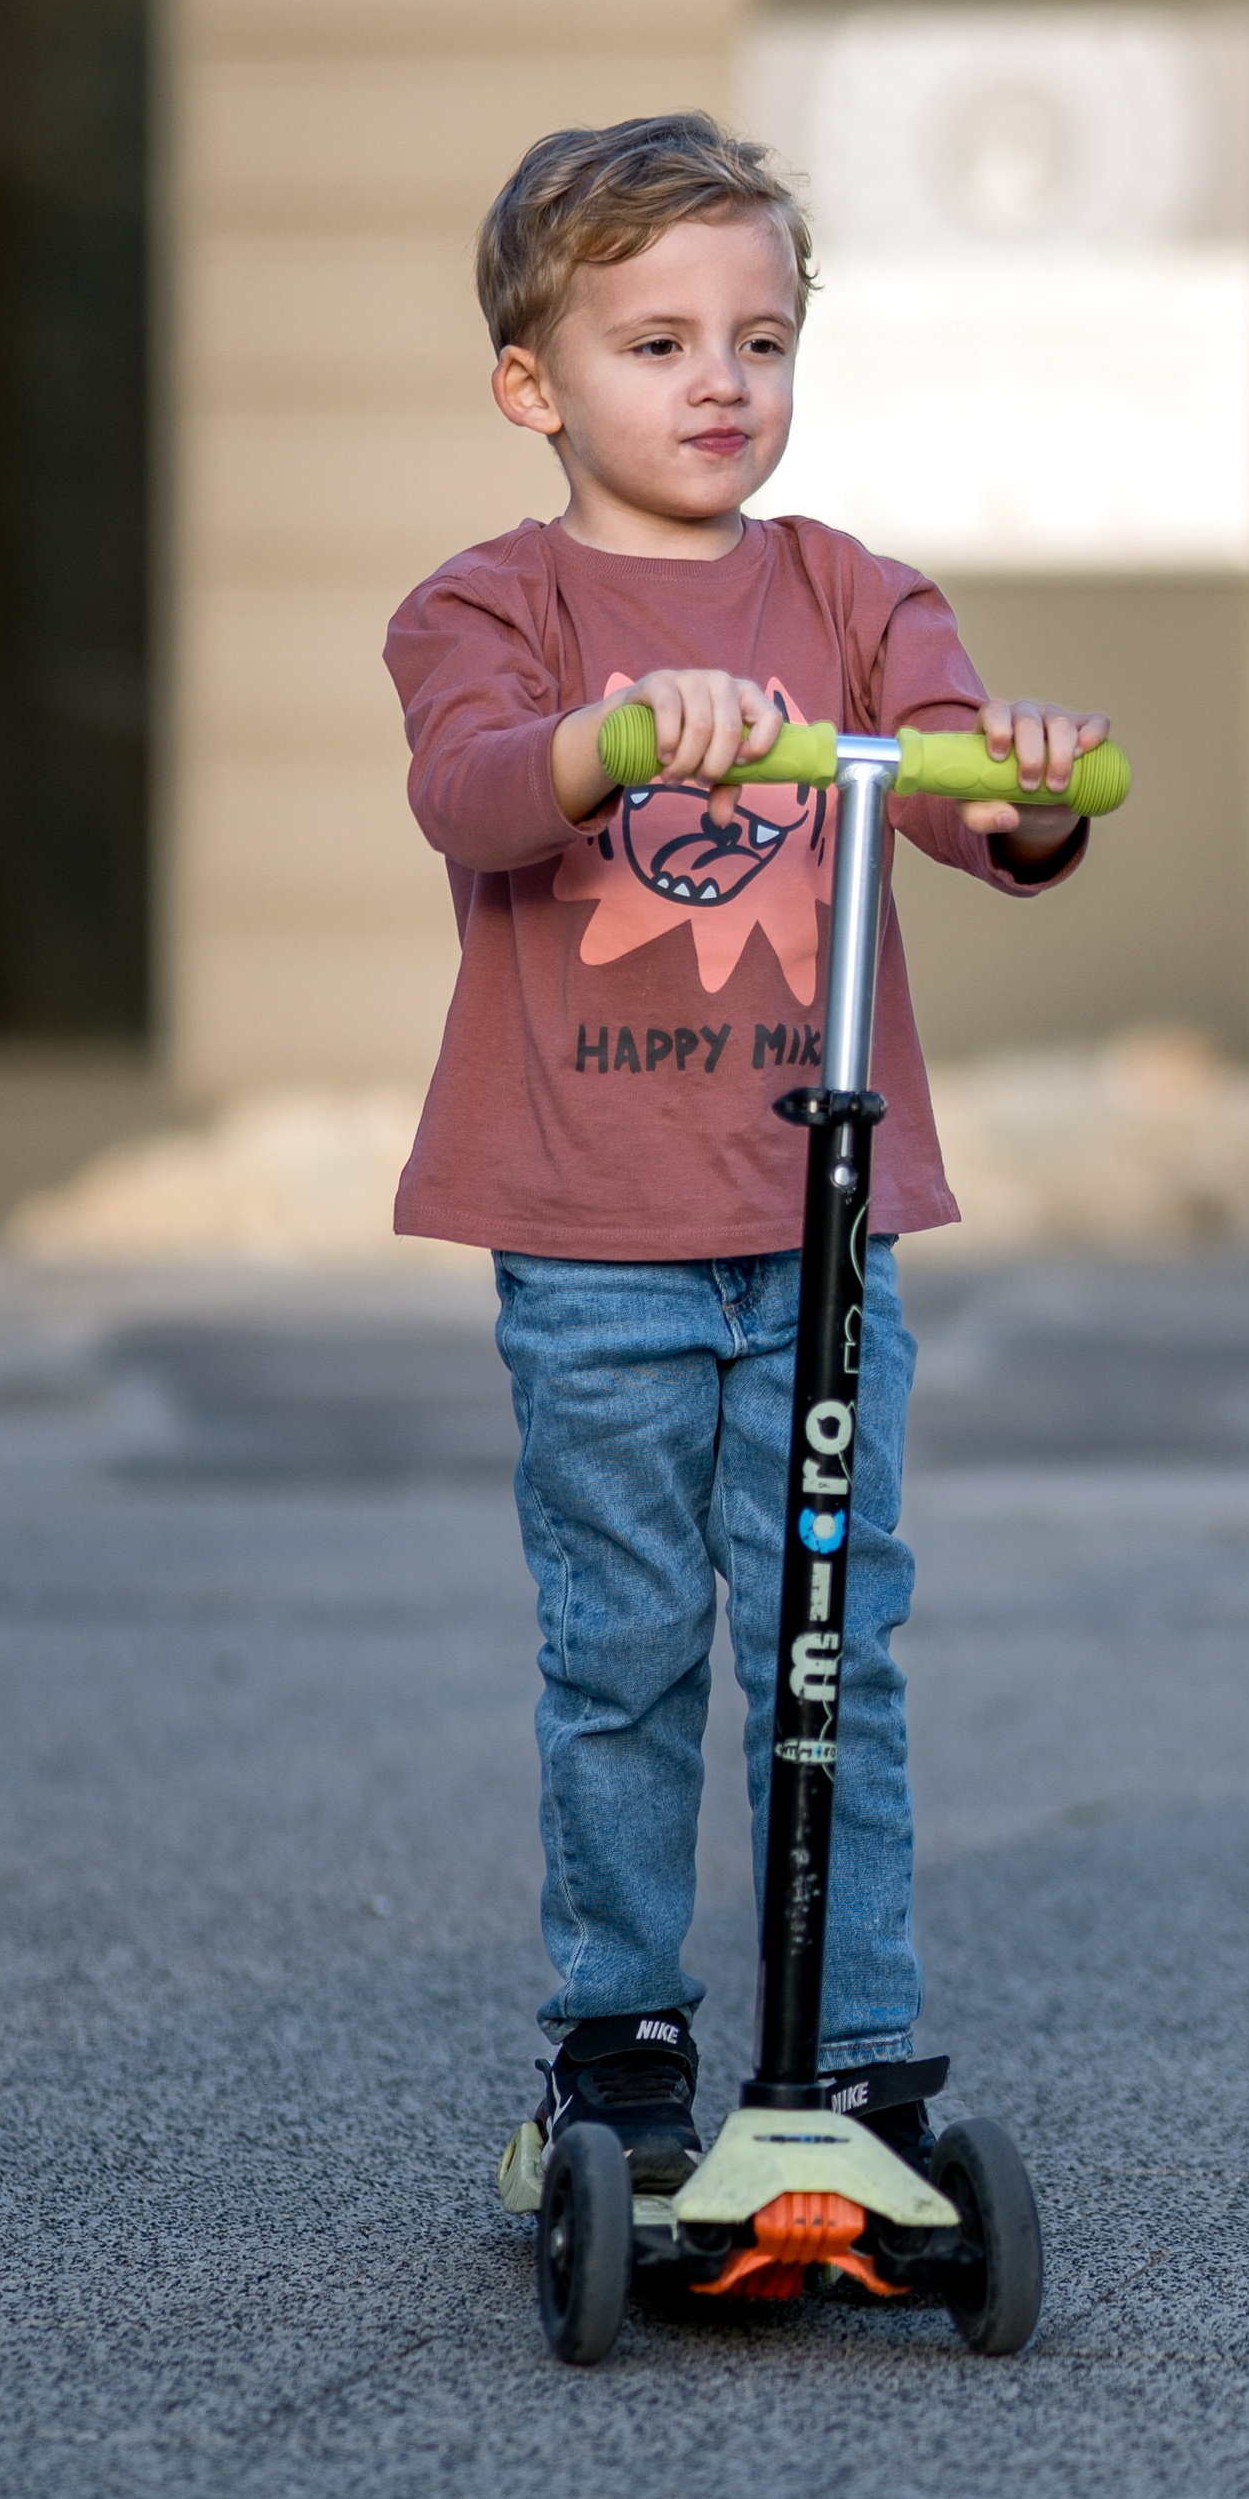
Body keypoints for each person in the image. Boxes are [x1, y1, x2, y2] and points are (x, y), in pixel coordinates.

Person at [384, 112, 1109, 2198]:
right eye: (658, 344)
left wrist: (1025, 782)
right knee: (622, 1645)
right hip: (593, 1234)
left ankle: (855, 2051)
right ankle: (616, 2035)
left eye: (760, 340)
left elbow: (964, 791)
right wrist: (610, 740)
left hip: (824, 1229)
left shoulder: (854, 594)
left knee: (828, 1638)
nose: (721, 383)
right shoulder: (487, 605)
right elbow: (471, 791)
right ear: (531, 385)